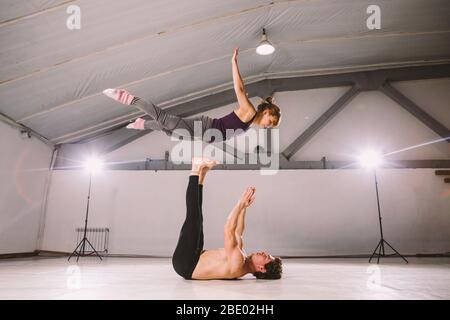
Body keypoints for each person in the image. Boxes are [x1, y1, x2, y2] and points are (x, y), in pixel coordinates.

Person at [103, 48, 281, 142]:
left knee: (170, 132)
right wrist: (233, 62)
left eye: (271, 126)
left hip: (203, 135)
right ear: (266, 112)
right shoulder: (249, 111)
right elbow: (239, 89)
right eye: (270, 122)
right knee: (166, 120)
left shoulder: (250, 122)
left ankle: (143, 124)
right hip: (204, 127)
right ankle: (127, 97)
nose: (268, 126)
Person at [171, 157, 282, 280]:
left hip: (186, 263)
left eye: (266, 257)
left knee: (193, 217)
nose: (264, 253)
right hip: (194, 256)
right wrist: (244, 208)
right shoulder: (242, 257)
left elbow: (228, 229)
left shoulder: (238, 263)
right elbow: (238, 232)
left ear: (262, 268)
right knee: (198, 216)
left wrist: (240, 204)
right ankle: (202, 173)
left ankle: (195, 168)